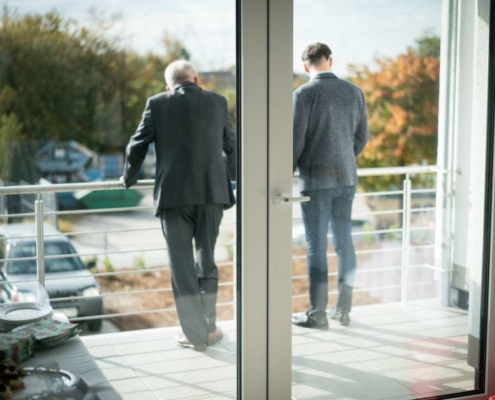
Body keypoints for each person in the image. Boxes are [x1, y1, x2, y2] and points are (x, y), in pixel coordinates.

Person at [122, 60, 237, 351]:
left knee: (182, 267)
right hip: (212, 194)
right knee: (206, 261)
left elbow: (137, 144)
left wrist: (129, 177)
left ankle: (195, 335)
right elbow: (232, 146)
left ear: (168, 85)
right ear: (196, 80)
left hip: (174, 197)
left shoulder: (157, 103)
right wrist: (235, 178)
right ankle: (209, 328)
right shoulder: (218, 102)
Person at [291, 43, 368, 330]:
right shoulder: (354, 91)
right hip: (346, 178)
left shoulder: (303, 94)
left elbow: (296, 141)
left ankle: (317, 313)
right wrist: (346, 159)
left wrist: (289, 168)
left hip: (315, 181)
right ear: (330, 61)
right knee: (345, 243)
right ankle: (343, 310)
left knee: (316, 246)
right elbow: (362, 136)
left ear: (306, 66)